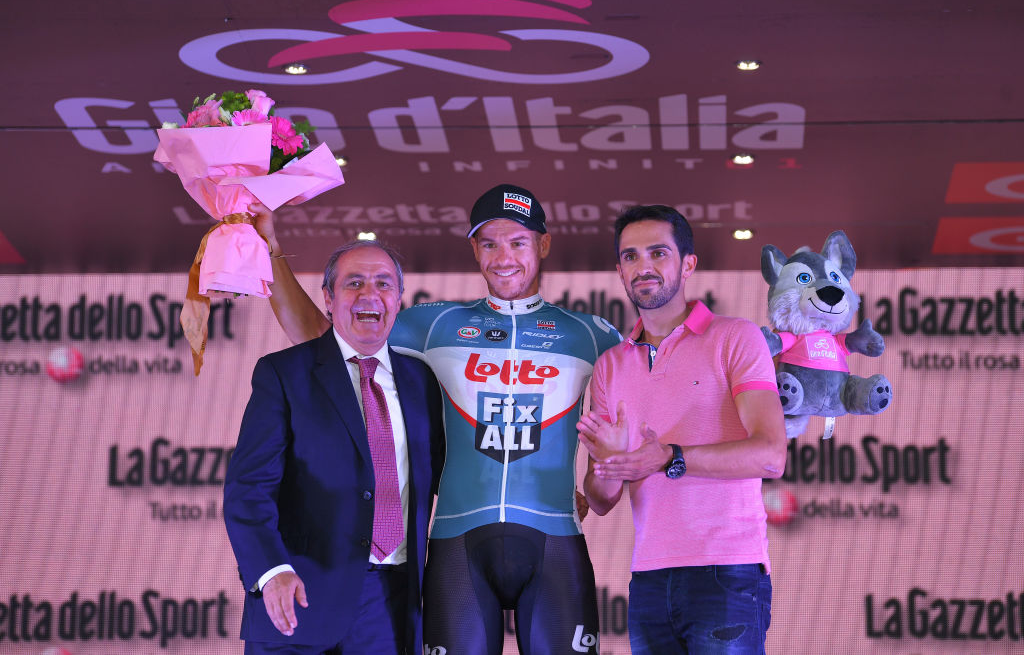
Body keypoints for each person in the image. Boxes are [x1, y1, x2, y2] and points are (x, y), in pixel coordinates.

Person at [250, 183, 621, 654]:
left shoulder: (590, 334)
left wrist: (607, 472)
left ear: (543, 244)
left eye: (518, 242)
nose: (503, 257)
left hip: (554, 540)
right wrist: (272, 251)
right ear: (473, 249)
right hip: (457, 543)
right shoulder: (434, 325)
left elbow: (647, 404)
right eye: (489, 243)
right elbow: (322, 337)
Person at [577, 204, 787, 654]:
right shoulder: (610, 366)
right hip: (648, 578)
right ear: (619, 270)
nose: (643, 267)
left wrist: (670, 456)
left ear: (688, 264)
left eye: (658, 253)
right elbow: (599, 501)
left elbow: (771, 453)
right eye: (630, 257)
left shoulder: (736, 337)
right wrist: (612, 466)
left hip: (727, 572)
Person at [223, 241, 444, 654]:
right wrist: (271, 571)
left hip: (391, 607)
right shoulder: (283, 374)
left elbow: (451, 480)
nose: (369, 294)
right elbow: (247, 490)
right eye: (354, 283)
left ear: (399, 300)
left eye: (383, 283)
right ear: (328, 297)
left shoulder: (422, 382)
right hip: (296, 599)